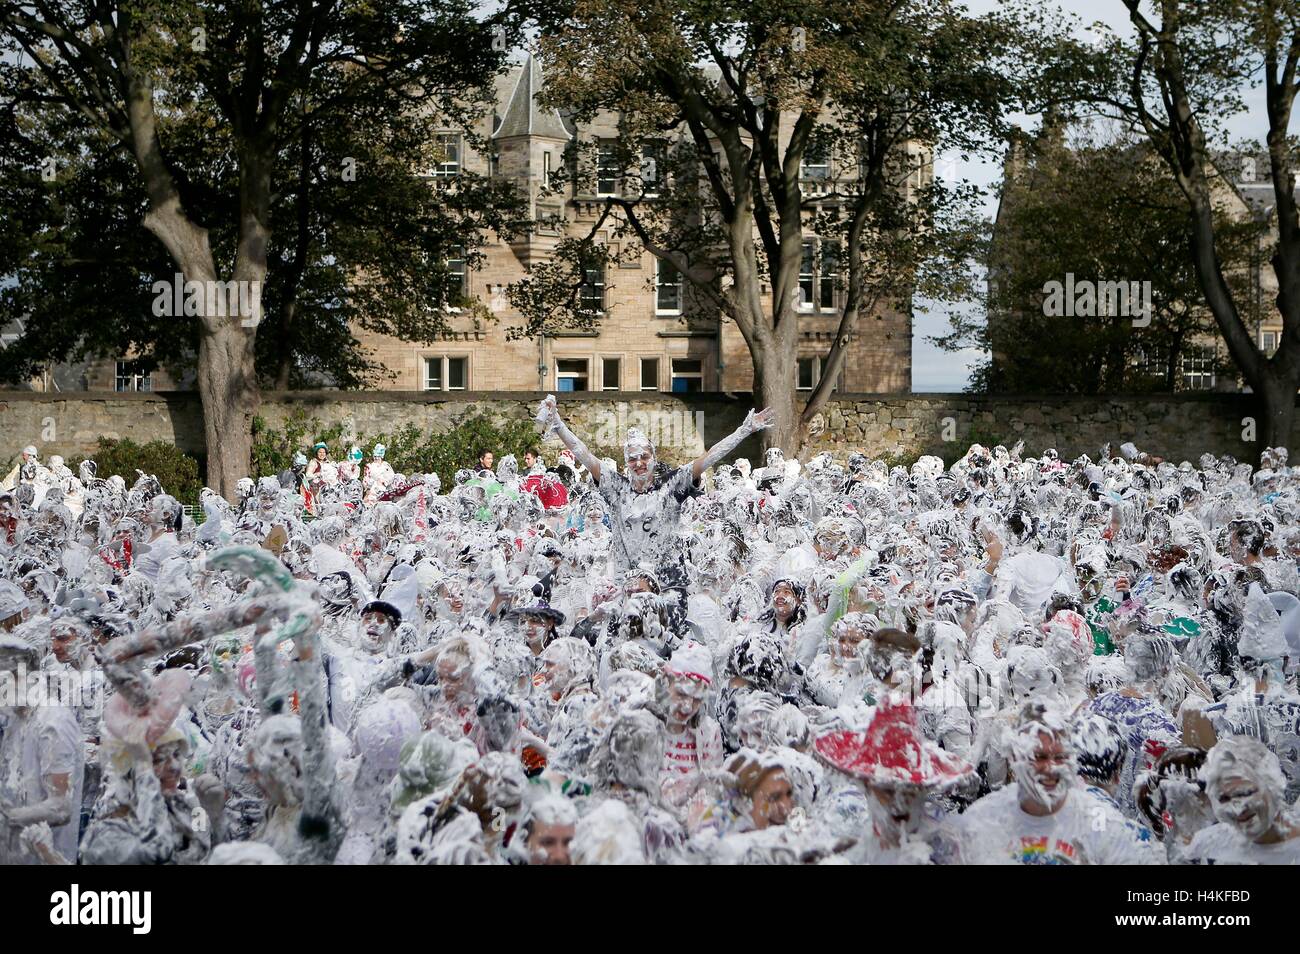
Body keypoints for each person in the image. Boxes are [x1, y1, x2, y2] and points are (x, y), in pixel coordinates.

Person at [536, 393, 773, 570]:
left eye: (645, 457)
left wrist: (743, 431)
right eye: (632, 459)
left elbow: (709, 456)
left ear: (654, 457)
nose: (639, 463)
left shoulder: (672, 485)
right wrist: (558, 423)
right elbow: (583, 452)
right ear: (626, 462)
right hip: (625, 576)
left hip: (666, 577)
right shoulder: (616, 488)